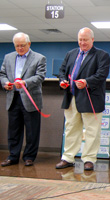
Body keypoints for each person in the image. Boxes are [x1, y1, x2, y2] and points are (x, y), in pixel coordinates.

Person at [55, 27, 110, 171]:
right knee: (71, 129)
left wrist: (87, 82)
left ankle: (89, 159)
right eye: (80, 40)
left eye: (85, 40)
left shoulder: (102, 55)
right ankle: (68, 157)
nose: (82, 43)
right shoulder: (71, 54)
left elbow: (101, 74)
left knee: (92, 130)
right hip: (71, 97)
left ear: (92, 39)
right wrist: (62, 81)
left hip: (90, 98)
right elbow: (62, 71)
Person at [0, 32, 46, 167]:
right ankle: (13, 156)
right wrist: (5, 83)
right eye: (17, 46)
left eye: (22, 45)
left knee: (32, 130)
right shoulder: (8, 57)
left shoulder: (39, 58)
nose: (20, 48)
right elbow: (2, 74)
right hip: (13, 97)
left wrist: (25, 83)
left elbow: (40, 76)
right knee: (13, 130)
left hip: (31, 98)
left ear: (29, 44)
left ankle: (29, 157)